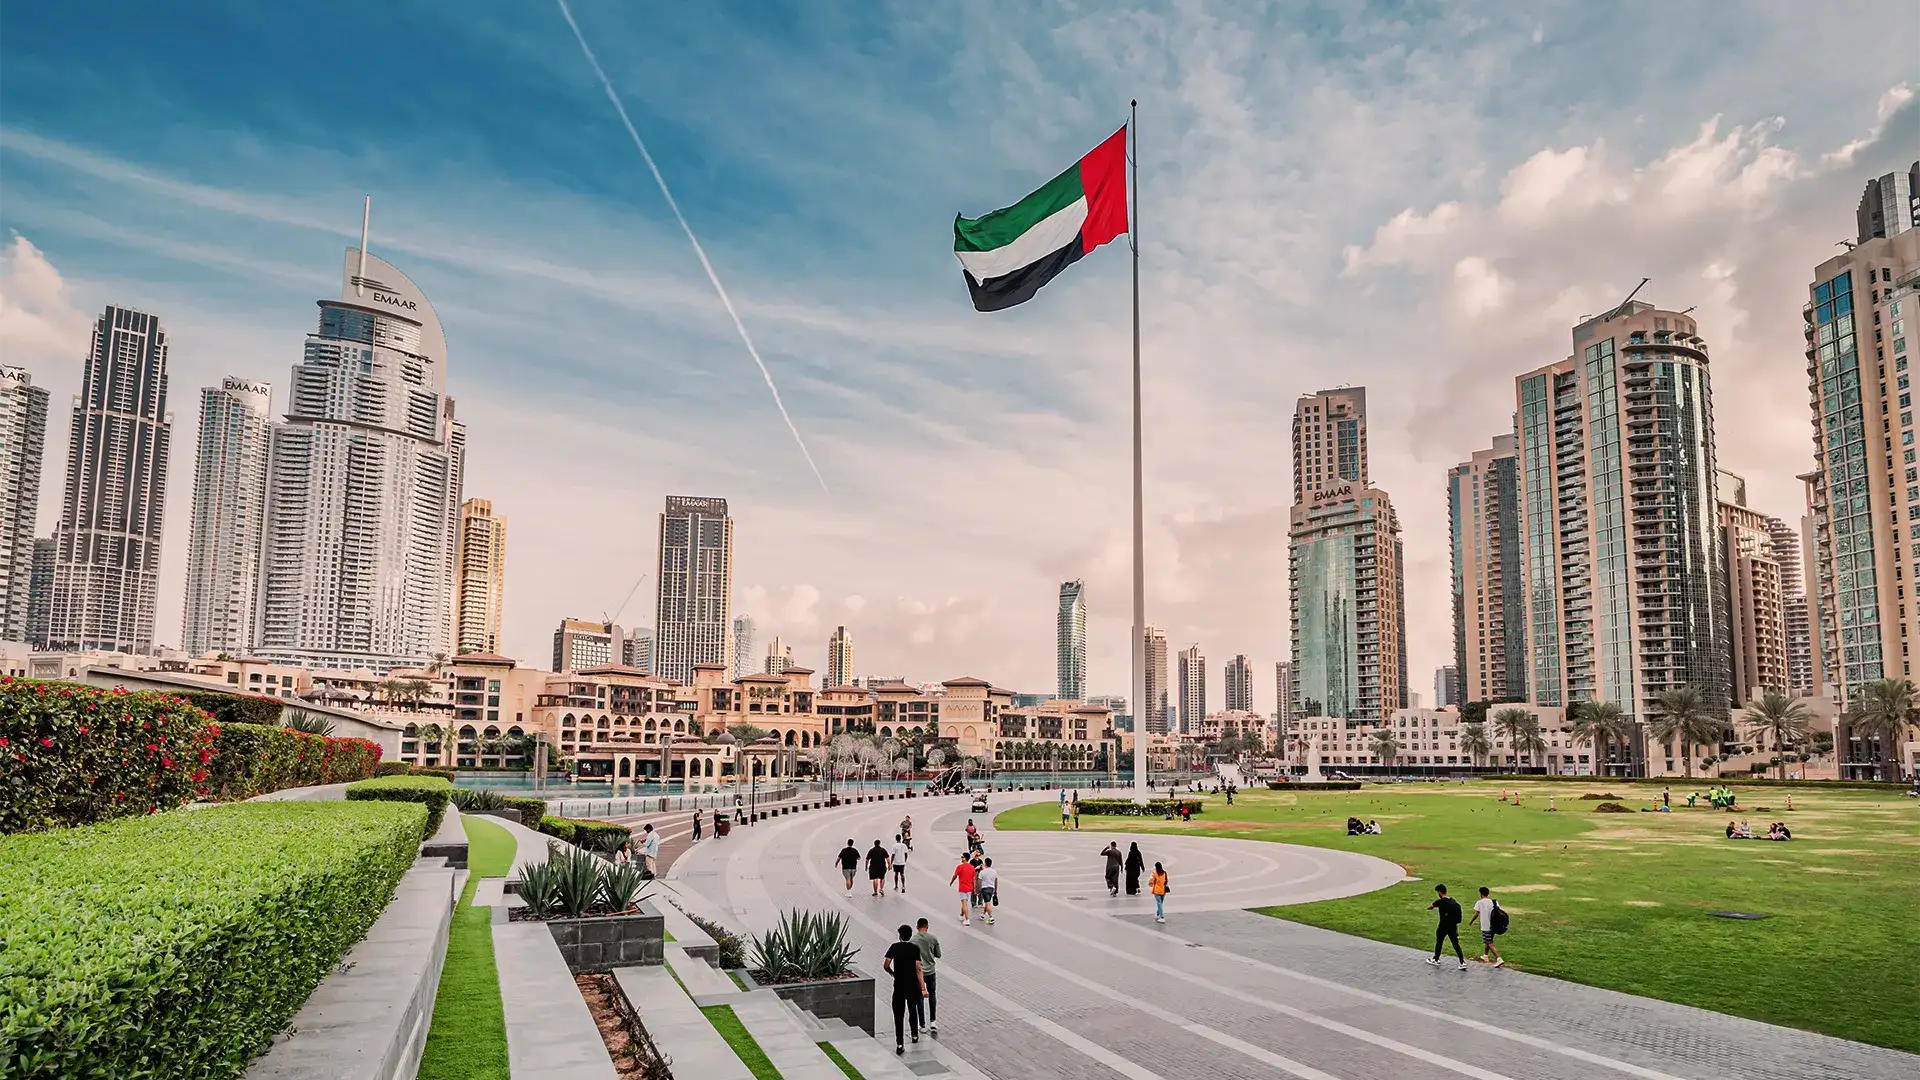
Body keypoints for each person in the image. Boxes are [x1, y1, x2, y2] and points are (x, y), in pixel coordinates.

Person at [882, 924, 928, 1054]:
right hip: (912, 985)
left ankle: (900, 1043)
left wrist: (892, 973)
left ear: (899, 935)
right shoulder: (914, 948)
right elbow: (918, 968)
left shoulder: (894, 947)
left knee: (899, 1015)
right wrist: (923, 988)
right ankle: (914, 1035)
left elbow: (886, 964)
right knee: (913, 1010)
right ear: (910, 935)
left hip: (899, 986)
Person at [912, 918, 942, 1036]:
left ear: (917, 927)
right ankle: (933, 1021)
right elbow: (938, 954)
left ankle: (922, 1024)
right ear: (927, 927)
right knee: (932, 995)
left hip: (918, 972)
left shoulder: (913, 940)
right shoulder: (933, 938)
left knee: (919, 997)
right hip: (930, 971)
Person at [1426, 884, 1467, 969]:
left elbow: (1429, 907)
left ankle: (1436, 959)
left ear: (1439, 892)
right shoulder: (1454, 902)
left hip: (1443, 926)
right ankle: (1462, 962)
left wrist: (1433, 907)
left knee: (1439, 942)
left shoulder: (1440, 901)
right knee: (1455, 944)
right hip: (1452, 926)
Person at [1473, 887, 1505, 967]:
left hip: (1486, 926)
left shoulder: (1479, 902)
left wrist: (1471, 921)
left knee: (1489, 942)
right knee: (1488, 940)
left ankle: (1498, 958)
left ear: (1481, 894)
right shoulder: (1494, 902)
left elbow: (1476, 914)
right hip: (1494, 925)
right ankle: (1485, 956)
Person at [950, 851, 977, 925]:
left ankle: (967, 919)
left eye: (962, 857)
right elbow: (974, 879)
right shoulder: (972, 868)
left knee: (964, 903)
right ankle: (961, 915)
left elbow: (955, 876)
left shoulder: (960, 867)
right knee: (964, 902)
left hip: (962, 888)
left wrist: (951, 882)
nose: (961, 858)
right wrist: (974, 888)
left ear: (965, 858)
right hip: (969, 888)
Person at [977, 856, 999, 925]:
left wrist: (978, 890)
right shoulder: (994, 872)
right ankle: (983, 914)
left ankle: (991, 917)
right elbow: (996, 882)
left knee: (987, 903)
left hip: (985, 889)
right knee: (988, 902)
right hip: (991, 888)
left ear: (985, 863)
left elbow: (979, 882)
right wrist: (995, 891)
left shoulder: (982, 872)